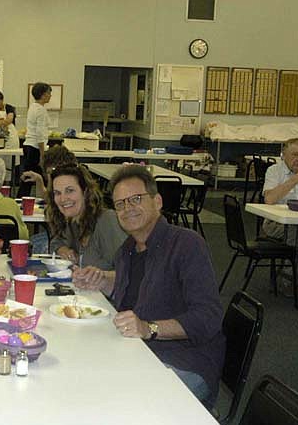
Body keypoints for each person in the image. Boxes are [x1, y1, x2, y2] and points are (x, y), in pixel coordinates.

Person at [77, 165, 224, 408]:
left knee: (116, 400)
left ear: (157, 201)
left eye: (136, 199)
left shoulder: (186, 244)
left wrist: (149, 328)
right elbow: (139, 293)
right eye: (120, 204)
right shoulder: (127, 251)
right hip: (141, 353)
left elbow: (208, 317)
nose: (127, 209)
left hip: (185, 360)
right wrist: (103, 280)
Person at [46, 163, 127, 269]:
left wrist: (103, 277)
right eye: (57, 193)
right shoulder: (73, 221)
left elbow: (129, 269)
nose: (63, 199)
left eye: (69, 191)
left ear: (85, 192)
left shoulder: (107, 221)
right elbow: (56, 242)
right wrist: (63, 249)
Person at [263, 138, 298, 242]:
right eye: (295, 155)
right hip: (277, 223)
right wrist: (296, 179)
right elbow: (269, 199)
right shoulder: (274, 171)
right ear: (283, 156)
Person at [19, 82, 51, 197]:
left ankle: (23, 200)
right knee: (34, 178)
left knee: (29, 178)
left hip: (28, 145)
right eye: (48, 93)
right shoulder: (41, 110)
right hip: (35, 148)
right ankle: (45, 200)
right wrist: (42, 155)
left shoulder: (33, 107)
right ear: (42, 95)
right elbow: (40, 133)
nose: (50, 95)